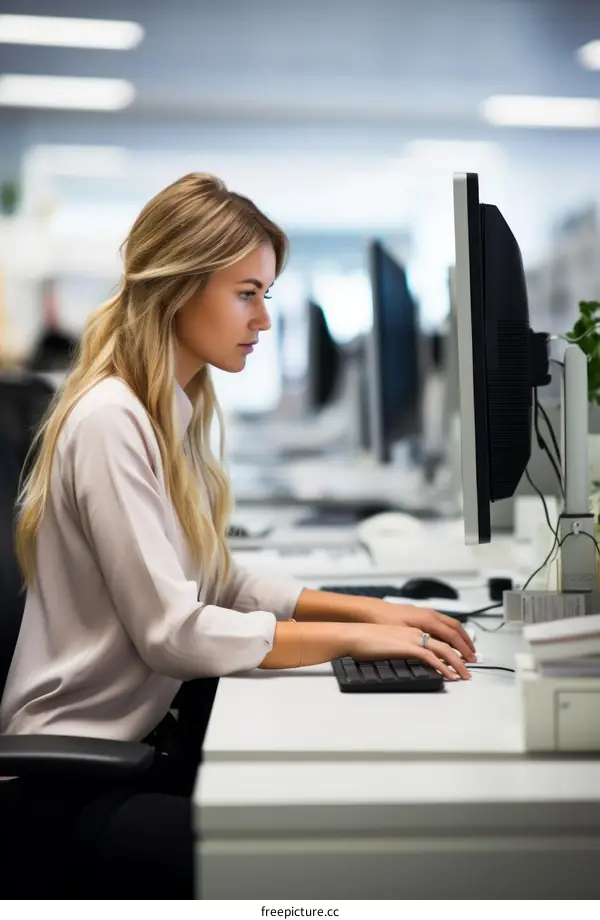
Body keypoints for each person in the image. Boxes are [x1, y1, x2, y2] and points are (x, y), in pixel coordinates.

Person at [0, 173, 475, 898]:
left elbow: (219, 581)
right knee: (310, 871)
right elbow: (173, 634)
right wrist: (351, 643)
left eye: (266, 295)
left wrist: (373, 611)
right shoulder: (111, 420)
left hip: (135, 750)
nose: (263, 319)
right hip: (72, 785)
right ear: (180, 286)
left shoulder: (169, 407)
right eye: (246, 292)